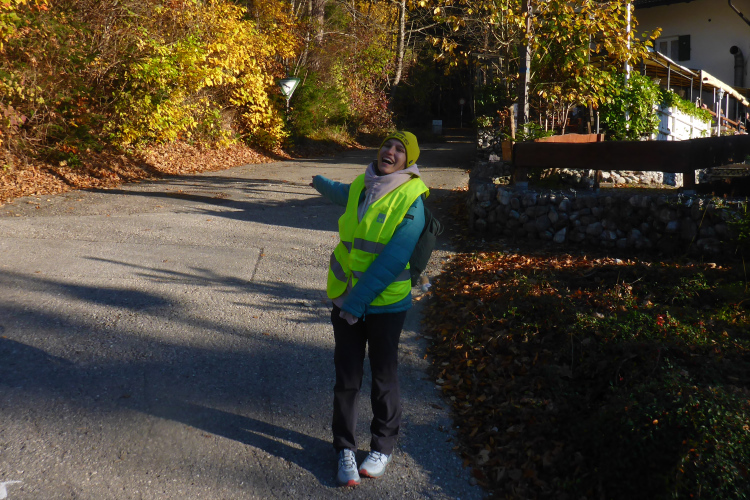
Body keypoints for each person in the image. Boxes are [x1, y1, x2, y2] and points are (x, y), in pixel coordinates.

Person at [310, 131, 428, 487]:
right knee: (346, 377)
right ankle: (344, 449)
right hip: (346, 296)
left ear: (408, 160)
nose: (390, 151)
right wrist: (319, 181)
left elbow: (394, 258)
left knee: (383, 376)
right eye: (387, 145)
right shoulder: (364, 183)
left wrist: (357, 303)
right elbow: (343, 193)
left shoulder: (413, 197)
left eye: (399, 149)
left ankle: (382, 447)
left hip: (384, 304)